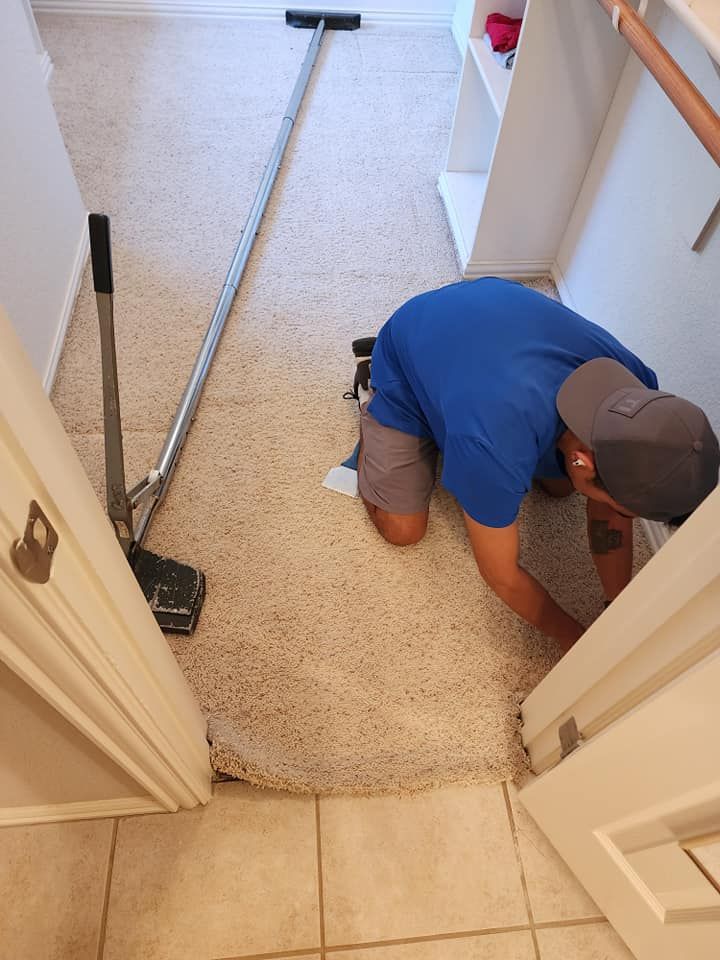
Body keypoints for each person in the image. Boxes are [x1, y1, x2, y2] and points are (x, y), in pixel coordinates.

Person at [348, 278, 719, 652]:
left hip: (483, 319)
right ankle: (373, 394)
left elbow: (608, 511)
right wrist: (583, 648)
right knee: (403, 529)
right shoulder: (493, 442)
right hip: (410, 351)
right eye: (628, 511)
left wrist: (615, 607)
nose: (625, 517)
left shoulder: (640, 393)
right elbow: (503, 576)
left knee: (560, 488)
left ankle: (449, 407)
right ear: (582, 459)